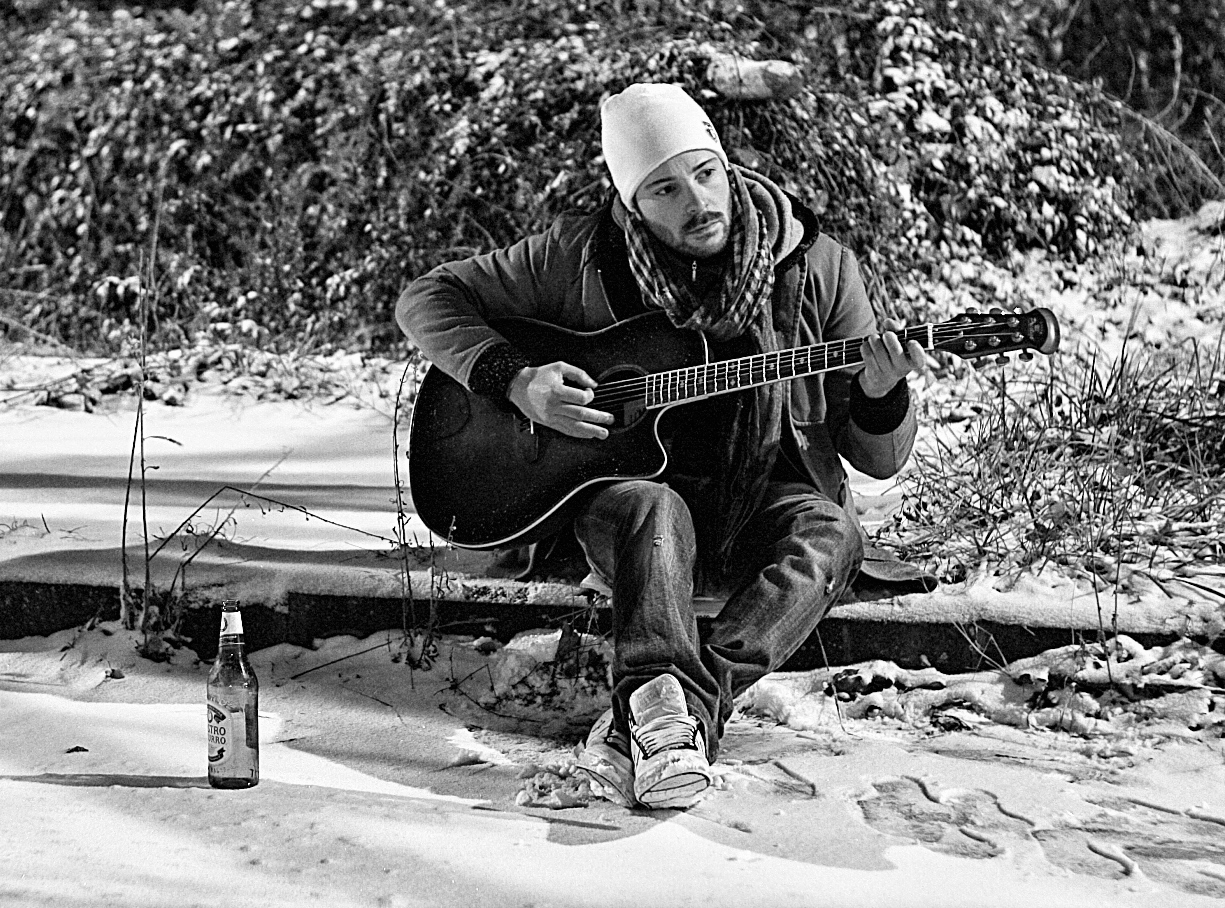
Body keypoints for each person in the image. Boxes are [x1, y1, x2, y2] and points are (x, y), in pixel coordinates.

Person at [394, 83, 927, 809]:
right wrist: (515, 380)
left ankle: (664, 715)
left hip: (764, 497)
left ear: (729, 169)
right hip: (630, 507)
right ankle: (666, 715)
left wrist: (881, 392)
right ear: (630, 203)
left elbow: (878, 459)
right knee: (655, 506)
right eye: (665, 189)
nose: (697, 202)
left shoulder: (820, 267)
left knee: (832, 531)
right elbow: (426, 297)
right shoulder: (580, 256)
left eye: (707, 174)